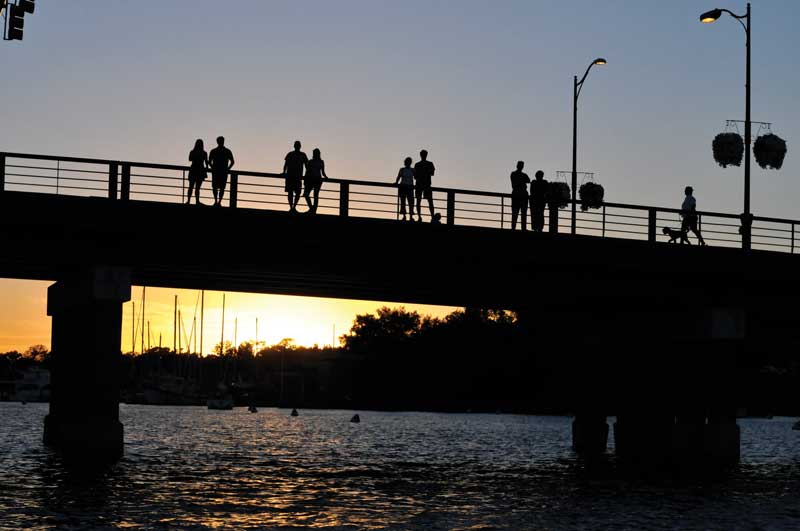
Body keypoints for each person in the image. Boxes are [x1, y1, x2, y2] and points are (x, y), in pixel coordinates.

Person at [208, 136, 235, 207]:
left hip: (218, 172)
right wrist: (227, 169)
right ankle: (218, 202)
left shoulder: (214, 151)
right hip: (222, 172)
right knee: (220, 187)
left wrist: (213, 167)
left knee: (217, 187)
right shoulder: (227, 151)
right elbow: (232, 162)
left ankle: (217, 201)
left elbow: (209, 162)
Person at [283, 140, 308, 212]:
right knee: (292, 192)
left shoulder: (301, 155)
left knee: (296, 193)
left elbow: (307, 166)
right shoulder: (292, 154)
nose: (297, 146)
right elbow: (286, 164)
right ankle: (292, 207)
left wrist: (284, 172)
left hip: (296, 177)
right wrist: (284, 172)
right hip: (292, 176)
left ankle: (292, 207)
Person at [304, 148, 328, 214]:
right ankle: (312, 209)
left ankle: (313, 210)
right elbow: (307, 172)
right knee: (307, 194)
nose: (315, 154)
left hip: (317, 180)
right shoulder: (311, 161)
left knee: (315, 195)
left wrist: (326, 177)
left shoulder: (320, 162)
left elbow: (323, 172)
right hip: (311, 180)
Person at [414, 149, 435, 222]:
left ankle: (430, 217)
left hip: (424, 185)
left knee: (428, 201)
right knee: (423, 201)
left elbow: (432, 173)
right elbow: (415, 176)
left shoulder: (418, 164)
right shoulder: (428, 164)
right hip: (422, 185)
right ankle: (422, 217)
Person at [510, 161, 530, 230]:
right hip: (520, 194)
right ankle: (521, 228)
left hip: (518, 194)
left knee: (518, 212)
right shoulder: (519, 174)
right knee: (520, 212)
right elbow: (528, 180)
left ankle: (515, 227)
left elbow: (528, 180)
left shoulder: (514, 174)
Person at [187, 139, 208, 205]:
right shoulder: (204, 153)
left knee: (191, 187)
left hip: (194, 169)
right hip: (200, 170)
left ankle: (189, 201)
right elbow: (206, 162)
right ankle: (196, 201)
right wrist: (206, 168)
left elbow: (190, 159)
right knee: (197, 188)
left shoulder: (193, 152)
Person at [395, 157, 415, 221]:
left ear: (410, 163)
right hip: (403, 187)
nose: (407, 163)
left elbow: (416, 177)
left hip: (410, 187)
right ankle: (404, 216)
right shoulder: (402, 169)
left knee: (411, 202)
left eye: (408, 162)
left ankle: (411, 216)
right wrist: (396, 182)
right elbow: (398, 177)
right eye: (406, 161)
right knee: (403, 202)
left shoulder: (413, 170)